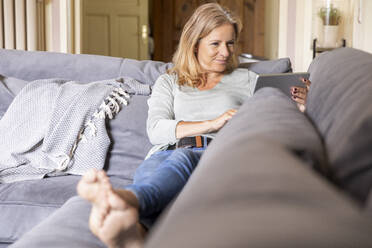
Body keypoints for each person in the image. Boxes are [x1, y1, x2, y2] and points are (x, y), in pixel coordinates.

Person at [77, 3, 311, 248]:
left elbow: (271, 117)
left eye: (230, 43)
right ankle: (134, 235)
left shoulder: (248, 80)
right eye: (216, 44)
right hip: (163, 154)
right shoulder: (169, 81)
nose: (225, 52)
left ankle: (125, 199)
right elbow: (156, 130)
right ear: (195, 43)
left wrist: (302, 106)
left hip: (216, 154)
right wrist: (212, 123)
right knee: (156, 174)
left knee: (183, 159)